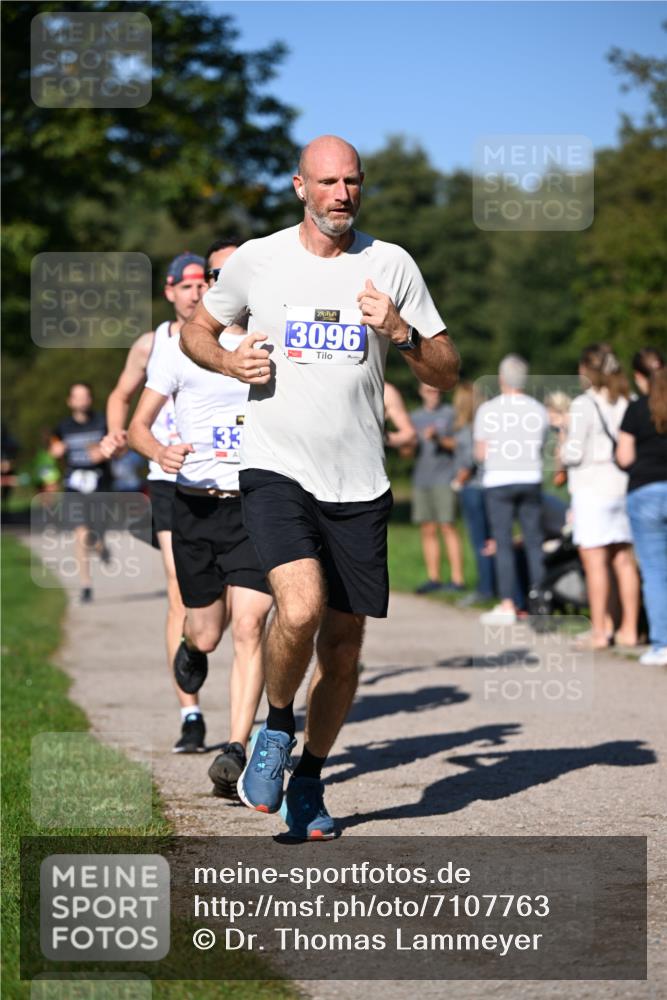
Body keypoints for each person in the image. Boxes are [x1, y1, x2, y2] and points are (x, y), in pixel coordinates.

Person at [180, 134, 459, 840]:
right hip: (276, 466)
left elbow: (445, 370)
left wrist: (398, 330)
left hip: (359, 481)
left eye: (353, 182)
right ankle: (273, 731)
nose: (342, 195)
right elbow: (197, 331)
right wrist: (227, 360)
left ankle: (308, 778)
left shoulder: (389, 263)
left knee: (341, 650)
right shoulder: (258, 259)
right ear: (299, 186)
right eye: (328, 182)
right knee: (297, 608)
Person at [127, 302, 273, 798]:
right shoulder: (177, 349)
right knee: (208, 635)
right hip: (195, 507)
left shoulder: (268, 343)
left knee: (251, 626)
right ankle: (191, 646)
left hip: (255, 506)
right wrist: (158, 452)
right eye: (219, 275)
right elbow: (137, 427)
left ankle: (235, 749)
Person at [100, 253, 209, 752]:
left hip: (223, 477)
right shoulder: (152, 343)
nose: (195, 292)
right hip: (166, 477)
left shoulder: (226, 335)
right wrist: (116, 433)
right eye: (185, 286)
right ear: (169, 292)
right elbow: (121, 393)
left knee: (231, 605)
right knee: (177, 588)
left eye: (202, 283)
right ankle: (190, 712)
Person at [560, 343, 640, 649]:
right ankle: (628, 628)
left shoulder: (584, 404)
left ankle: (600, 630)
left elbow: (574, 453)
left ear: (588, 370)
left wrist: (563, 441)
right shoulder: (628, 400)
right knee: (624, 560)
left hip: (592, 488)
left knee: (595, 563)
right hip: (623, 484)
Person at [473, 355, 548, 625]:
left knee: (502, 543)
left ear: (502, 378)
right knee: (533, 542)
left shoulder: (488, 410)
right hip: (530, 477)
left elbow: (480, 454)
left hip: (499, 481)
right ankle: (541, 602)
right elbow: (541, 447)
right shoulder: (538, 410)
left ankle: (508, 604)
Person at [617, 357, 667, 666]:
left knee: (654, 572)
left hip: (645, 492)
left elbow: (624, 457)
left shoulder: (636, 410)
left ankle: (662, 643)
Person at [50, 383, 111, 603]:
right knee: (81, 533)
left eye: (85, 396)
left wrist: (103, 453)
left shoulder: (102, 422)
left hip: (100, 483)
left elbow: (117, 446)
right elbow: (53, 446)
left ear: (90, 399)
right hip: (74, 485)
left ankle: (101, 547)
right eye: (77, 397)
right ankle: (86, 585)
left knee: (94, 535)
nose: (81, 401)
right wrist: (56, 451)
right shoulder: (63, 426)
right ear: (70, 401)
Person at [409, 382, 464, 594]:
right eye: (429, 390)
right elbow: (408, 452)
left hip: (444, 478)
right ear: (421, 392)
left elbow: (458, 444)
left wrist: (438, 439)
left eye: (437, 390)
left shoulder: (450, 414)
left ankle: (457, 580)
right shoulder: (414, 417)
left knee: (447, 526)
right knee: (427, 529)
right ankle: (434, 578)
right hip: (421, 480)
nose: (434, 394)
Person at [450, 381, 496, 605]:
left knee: (480, 540)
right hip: (488, 488)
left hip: (474, 488)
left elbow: (470, 460)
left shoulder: (468, 428)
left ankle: (485, 588)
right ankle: (494, 584)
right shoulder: (486, 423)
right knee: (491, 538)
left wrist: (457, 483)